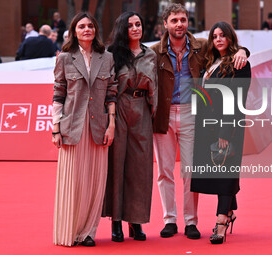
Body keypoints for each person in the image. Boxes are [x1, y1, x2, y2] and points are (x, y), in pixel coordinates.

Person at [151, 3, 248, 240]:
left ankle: (191, 221)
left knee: (190, 171)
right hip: (163, 114)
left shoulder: (200, 46)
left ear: (187, 21)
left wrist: (244, 50)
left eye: (183, 19)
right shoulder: (154, 51)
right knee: (164, 171)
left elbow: (225, 45)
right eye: (174, 20)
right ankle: (169, 219)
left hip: (191, 114)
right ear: (166, 24)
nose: (179, 24)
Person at [52, 12, 117, 247]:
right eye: (82, 26)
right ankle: (70, 231)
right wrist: (55, 129)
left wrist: (111, 125)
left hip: (99, 127)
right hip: (72, 128)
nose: (87, 29)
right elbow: (59, 94)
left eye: (90, 26)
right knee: (74, 182)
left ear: (95, 30)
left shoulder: (106, 58)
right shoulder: (65, 58)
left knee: (95, 181)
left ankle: (89, 232)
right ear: (74, 31)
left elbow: (111, 93)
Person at [191, 21, 251, 245]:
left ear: (230, 38)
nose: (218, 39)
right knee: (220, 167)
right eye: (214, 36)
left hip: (229, 126)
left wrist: (226, 131)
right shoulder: (210, 61)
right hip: (208, 125)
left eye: (222, 35)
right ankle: (230, 211)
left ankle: (221, 222)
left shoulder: (240, 64)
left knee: (225, 171)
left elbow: (236, 100)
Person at [102, 11, 157, 242]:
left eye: (139, 24)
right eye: (131, 25)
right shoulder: (112, 54)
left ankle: (136, 222)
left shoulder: (151, 54)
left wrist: (243, 50)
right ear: (123, 28)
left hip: (143, 109)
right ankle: (116, 222)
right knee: (117, 165)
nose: (136, 28)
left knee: (140, 167)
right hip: (120, 107)